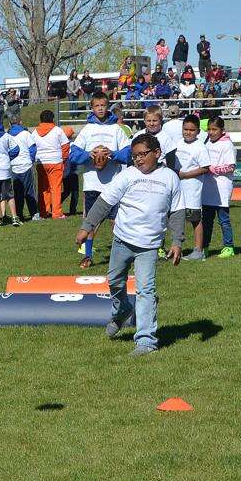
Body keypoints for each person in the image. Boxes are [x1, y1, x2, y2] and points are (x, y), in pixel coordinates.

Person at [75, 133, 185, 356]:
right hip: (122, 239)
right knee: (115, 282)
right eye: (134, 156)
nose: (138, 160)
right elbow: (105, 201)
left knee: (146, 290)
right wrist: (87, 227)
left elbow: (177, 211)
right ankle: (122, 309)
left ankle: (146, 341)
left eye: (142, 154)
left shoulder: (170, 177)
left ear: (157, 153)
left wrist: (177, 241)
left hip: (150, 244)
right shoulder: (127, 175)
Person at [69, 91, 132, 268]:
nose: (100, 109)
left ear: (108, 106)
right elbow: (73, 154)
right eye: (96, 106)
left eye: (103, 105)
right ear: (92, 108)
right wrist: (89, 155)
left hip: (113, 184)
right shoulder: (87, 130)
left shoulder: (116, 129)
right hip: (92, 184)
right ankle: (87, 255)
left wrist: (112, 154)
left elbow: (128, 153)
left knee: (116, 222)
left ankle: (123, 255)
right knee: (91, 222)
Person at [171, 113, 211, 260]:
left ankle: (199, 251)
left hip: (192, 189)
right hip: (177, 188)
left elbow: (205, 168)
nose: (188, 132)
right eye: (185, 129)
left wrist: (185, 175)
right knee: (176, 219)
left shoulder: (200, 147)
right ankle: (176, 248)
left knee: (195, 219)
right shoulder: (178, 143)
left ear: (198, 132)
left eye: (192, 130)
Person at [201, 116, 236, 258]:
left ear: (222, 130)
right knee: (207, 221)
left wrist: (212, 169)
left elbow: (231, 167)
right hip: (208, 189)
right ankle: (205, 246)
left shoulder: (227, 144)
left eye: (214, 129)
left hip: (221, 188)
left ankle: (229, 247)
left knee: (224, 220)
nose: (211, 132)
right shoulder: (207, 142)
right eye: (209, 129)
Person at [33, 109, 70, 219]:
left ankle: (44, 211)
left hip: (41, 162)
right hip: (55, 161)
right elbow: (65, 145)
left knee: (43, 189)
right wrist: (63, 158)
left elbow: (32, 147)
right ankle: (57, 212)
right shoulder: (57, 130)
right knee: (56, 188)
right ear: (52, 119)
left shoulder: (35, 132)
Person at [8, 115, 38, 221]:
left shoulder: (8, 135)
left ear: (10, 124)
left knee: (17, 192)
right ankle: (34, 213)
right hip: (26, 165)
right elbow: (33, 149)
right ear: (20, 122)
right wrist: (31, 159)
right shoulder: (26, 133)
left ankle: (19, 214)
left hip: (14, 166)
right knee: (30, 190)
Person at [61, 125, 79, 215]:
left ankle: (55, 205)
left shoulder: (61, 145)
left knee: (67, 191)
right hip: (72, 171)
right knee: (75, 192)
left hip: (64, 172)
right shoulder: (72, 145)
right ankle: (73, 210)